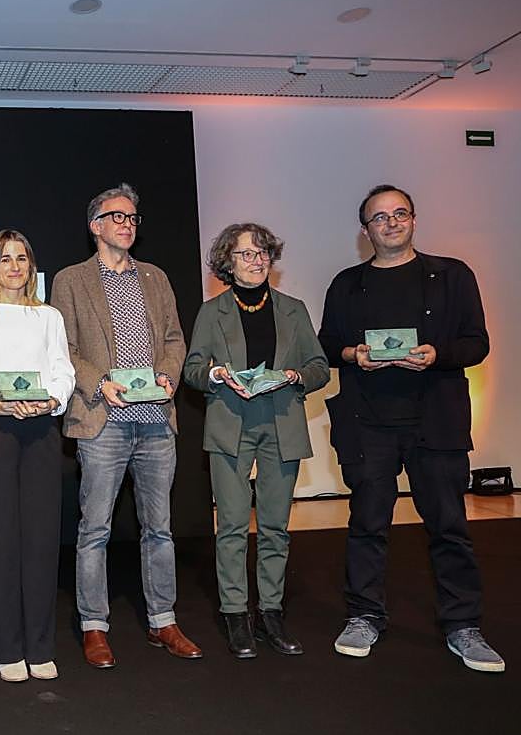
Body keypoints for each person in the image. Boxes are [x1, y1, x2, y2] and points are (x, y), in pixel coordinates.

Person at [318, 184, 504, 672]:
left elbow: (477, 343)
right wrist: (352, 354)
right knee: (367, 526)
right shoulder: (345, 284)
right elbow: (327, 342)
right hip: (368, 424)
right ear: (366, 231)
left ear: (414, 220)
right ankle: (363, 616)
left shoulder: (452, 276)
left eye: (400, 213)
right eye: (379, 218)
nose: (391, 223)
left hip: (436, 423)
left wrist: (438, 355)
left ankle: (463, 626)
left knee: (449, 528)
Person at [50, 183, 201, 667]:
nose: (127, 225)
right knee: (94, 529)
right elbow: (64, 349)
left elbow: (176, 339)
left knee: (160, 529)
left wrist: (168, 375)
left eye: (133, 218)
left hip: (156, 420)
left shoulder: (155, 278)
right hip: (103, 422)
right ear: (95, 226)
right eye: (118, 217)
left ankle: (163, 620)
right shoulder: (71, 280)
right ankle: (94, 626)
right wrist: (99, 383)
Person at [183, 223, 329, 658]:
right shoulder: (212, 312)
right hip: (230, 424)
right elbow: (192, 369)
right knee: (230, 526)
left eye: (263, 252)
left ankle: (271, 613)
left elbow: (319, 366)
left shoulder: (293, 309)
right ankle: (235, 615)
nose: (258, 260)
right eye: (247, 254)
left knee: (274, 528)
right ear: (228, 262)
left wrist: (294, 376)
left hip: (281, 423)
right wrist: (215, 374)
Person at [0, 229, 74, 682]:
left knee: (42, 540)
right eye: (6, 259)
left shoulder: (49, 317)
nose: (15, 267)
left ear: (31, 265)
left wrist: (50, 400)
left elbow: (63, 371)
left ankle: (40, 645)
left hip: (42, 431)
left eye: (22, 258)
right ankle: (6, 647)